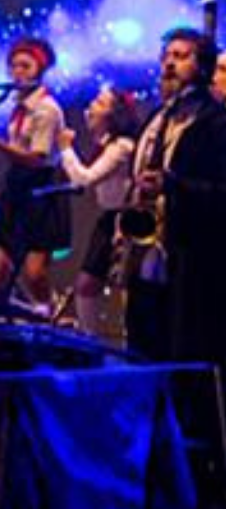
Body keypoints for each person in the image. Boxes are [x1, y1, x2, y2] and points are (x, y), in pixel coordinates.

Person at [134, 28, 226, 499]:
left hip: (195, 257)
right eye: (167, 55)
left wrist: (172, 184)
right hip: (154, 253)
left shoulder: (215, 122)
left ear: (203, 65)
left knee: (189, 358)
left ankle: (198, 468)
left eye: (183, 56)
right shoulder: (161, 117)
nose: (170, 63)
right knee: (147, 349)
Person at [0, 37, 71, 313]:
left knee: (34, 272)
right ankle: (23, 315)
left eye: (25, 66)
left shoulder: (46, 109)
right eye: (14, 66)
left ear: (39, 70)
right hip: (17, 184)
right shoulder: (18, 106)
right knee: (0, 267)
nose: (17, 72)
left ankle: (51, 312)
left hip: (41, 187)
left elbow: (37, 159)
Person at [56, 87, 138, 336]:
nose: (91, 107)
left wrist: (65, 148)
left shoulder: (122, 147)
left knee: (124, 286)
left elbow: (84, 179)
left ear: (115, 114)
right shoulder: (106, 144)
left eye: (100, 103)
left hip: (125, 220)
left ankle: (127, 340)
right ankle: (92, 340)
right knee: (86, 285)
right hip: (108, 218)